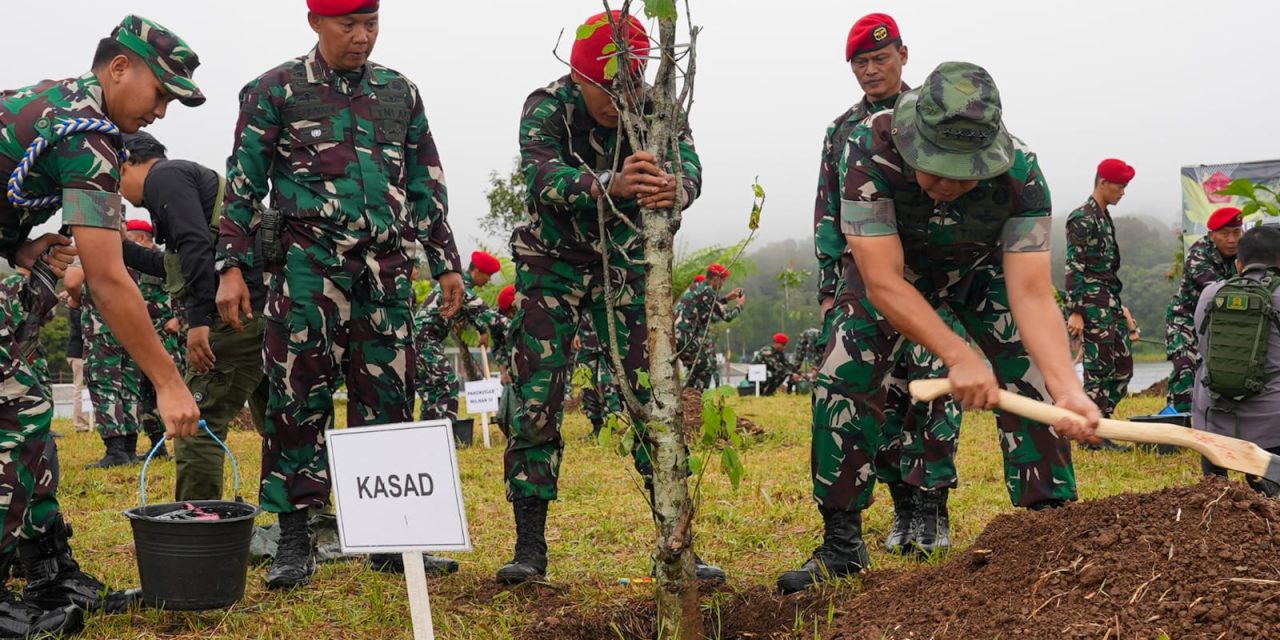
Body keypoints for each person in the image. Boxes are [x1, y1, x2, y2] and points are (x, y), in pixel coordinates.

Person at [778, 61, 1101, 594]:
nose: (949, 183)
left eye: (964, 170)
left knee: (1039, 380)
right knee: (843, 373)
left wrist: (1068, 388)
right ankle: (841, 544)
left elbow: (1030, 291)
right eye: (937, 166)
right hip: (892, 269)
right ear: (911, 140)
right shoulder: (869, 147)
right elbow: (881, 281)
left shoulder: (1022, 174)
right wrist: (958, 353)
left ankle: (1052, 533)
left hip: (979, 273)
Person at [217, 0, 464, 589]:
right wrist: (229, 266)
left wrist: (446, 262)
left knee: (389, 400)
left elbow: (426, 180)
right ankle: (294, 540)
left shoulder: (399, 91)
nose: (361, 37)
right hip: (307, 267)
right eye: (347, 25)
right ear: (315, 23)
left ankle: (390, 537)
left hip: (386, 269)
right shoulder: (273, 91)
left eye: (371, 24)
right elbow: (244, 187)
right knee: (298, 398)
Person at [500, 10, 723, 585]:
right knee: (536, 400)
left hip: (624, 265)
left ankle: (674, 541)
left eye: (629, 82)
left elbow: (690, 166)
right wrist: (609, 184)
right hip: (551, 265)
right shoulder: (547, 106)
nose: (619, 98)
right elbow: (541, 175)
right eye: (605, 86)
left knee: (652, 396)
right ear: (579, 76)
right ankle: (530, 550)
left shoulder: (658, 108)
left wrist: (678, 188)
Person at [0, 14, 204, 633]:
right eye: (161, 93)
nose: (162, 113)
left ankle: (47, 566)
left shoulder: (64, 107)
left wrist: (18, 248)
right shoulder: (84, 130)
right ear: (119, 67)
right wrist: (169, 382)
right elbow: (109, 277)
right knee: (17, 410)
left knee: (24, 406)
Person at [808, 13, 967, 555]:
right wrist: (830, 289)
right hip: (866, 280)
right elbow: (828, 212)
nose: (871, 70)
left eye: (880, 58)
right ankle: (901, 507)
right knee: (881, 398)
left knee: (934, 388)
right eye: (860, 62)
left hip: (932, 277)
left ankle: (933, 508)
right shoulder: (841, 131)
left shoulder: (934, 115)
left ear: (903, 54)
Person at [116, 131, 270, 501]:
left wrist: (198, 322)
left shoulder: (163, 177)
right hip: (268, 312)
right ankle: (302, 521)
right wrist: (115, 247)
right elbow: (178, 260)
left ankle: (199, 528)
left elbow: (195, 245)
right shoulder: (191, 182)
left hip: (234, 318)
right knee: (282, 423)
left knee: (196, 423)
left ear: (126, 163)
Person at [1192, 224, 1280, 497]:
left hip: (1215, 426)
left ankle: (1215, 487)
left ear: (1239, 264)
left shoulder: (1210, 294)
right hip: (1272, 431)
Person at [1065, 158, 1138, 451]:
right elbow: (1074, 267)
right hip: (1091, 304)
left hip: (1109, 301)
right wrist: (1076, 311)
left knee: (1122, 367)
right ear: (1103, 183)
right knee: (1098, 369)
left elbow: (1107, 270)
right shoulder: (1081, 218)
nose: (1123, 192)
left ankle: (1101, 423)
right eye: (1120, 186)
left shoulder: (1104, 217)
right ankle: (1091, 436)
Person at [1165, 207, 1242, 413]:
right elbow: (1216, 289)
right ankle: (1180, 419)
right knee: (1186, 368)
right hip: (1185, 319)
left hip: (1219, 322)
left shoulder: (1246, 252)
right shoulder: (1199, 253)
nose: (1232, 239)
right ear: (1211, 235)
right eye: (1225, 234)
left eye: (1236, 232)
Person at [414, 252, 502, 423]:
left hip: (419, 340)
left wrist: (482, 331)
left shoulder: (458, 286)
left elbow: (470, 313)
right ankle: (447, 433)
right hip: (425, 339)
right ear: (476, 271)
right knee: (449, 383)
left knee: (431, 392)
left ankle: (429, 435)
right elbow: (485, 313)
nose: (489, 280)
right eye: (488, 275)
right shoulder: (459, 287)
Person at [125, 218, 182, 458]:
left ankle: (184, 446)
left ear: (140, 238)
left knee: (174, 388)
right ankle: (157, 445)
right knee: (145, 395)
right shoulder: (132, 266)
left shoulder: (165, 261)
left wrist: (179, 319)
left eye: (128, 237)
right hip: (144, 337)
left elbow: (184, 288)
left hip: (167, 336)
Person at [675, 263, 744, 390]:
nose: (722, 284)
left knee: (696, 367)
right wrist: (739, 305)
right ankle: (695, 398)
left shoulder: (695, 287)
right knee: (705, 367)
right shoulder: (709, 291)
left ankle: (689, 396)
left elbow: (708, 305)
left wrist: (727, 299)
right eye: (722, 280)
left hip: (678, 335)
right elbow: (727, 316)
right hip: (687, 336)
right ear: (715, 279)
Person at [65, 289, 91, 433]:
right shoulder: (78, 310)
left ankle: (86, 421)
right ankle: (81, 424)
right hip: (78, 353)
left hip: (78, 352)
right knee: (80, 389)